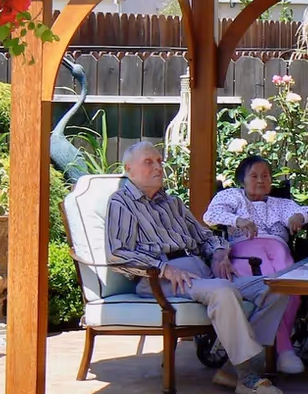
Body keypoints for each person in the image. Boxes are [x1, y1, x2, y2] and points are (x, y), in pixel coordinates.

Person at [106, 142, 287, 394]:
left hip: (201, 272)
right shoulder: (121, 203)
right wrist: (163, 268)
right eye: (149, 162)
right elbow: (118, 253)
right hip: (163, 279)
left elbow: (205, 237)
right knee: (223, 291)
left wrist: (219, 253)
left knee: (278, 288)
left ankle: (231, 370)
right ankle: (248, 378)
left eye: (159, 160)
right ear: (129, 169)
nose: (158, 166)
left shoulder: (172, 203)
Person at [203, 155, 308, 375]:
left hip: (278, 249)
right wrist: (237, 220)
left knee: (291, 289)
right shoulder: (233, 196)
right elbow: (210, 215)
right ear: (242, 180)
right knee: (272, 288)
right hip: (245, 250)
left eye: (265, 176)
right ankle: (285, 350)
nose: (261, 180)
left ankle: (276, 350)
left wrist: (299, 216)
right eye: (254, 175)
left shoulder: (281, 204)